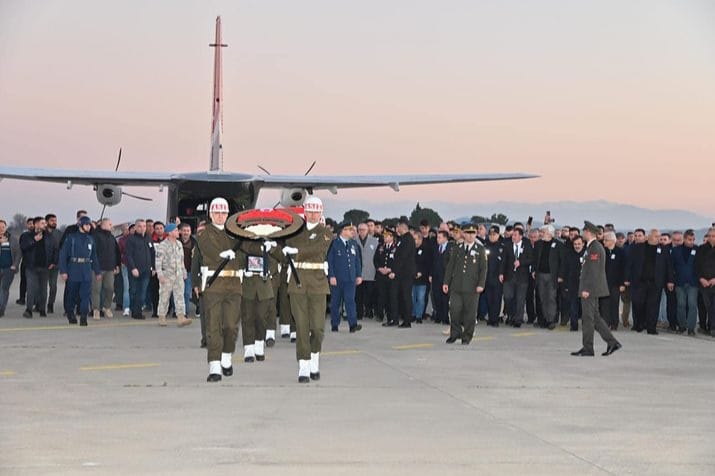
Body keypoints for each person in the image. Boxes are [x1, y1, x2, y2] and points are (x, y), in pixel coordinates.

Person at [191, 197, 246, 382]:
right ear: (211, 214)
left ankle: (226, 356)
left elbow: (248, 249)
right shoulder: (204, 234)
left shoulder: (236, 233)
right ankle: (214, 365)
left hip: (234, 286)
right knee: (213, 326)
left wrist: (264, 240)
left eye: (223, 213)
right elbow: (208, 252)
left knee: (230, 326)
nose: (220, 216)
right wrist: (223, 254)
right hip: (214, 285)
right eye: (217, 213)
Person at [284, 196, 333, 382]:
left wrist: (296, 251)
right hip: (297, 283)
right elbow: (285, 251)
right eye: (310, 210)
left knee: (318, 328)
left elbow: (318, 249)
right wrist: (273, 247)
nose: (313, 214)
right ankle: (304, 365)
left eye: (316, 211)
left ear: (321, 212)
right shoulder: (294, 232)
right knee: (302, 327)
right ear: (305, 211)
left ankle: (315, 358)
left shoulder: (325, 232)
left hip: (318, 284)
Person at [570, 221, 621, 357]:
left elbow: (593, 271)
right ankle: (612, 342)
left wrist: (586, 289)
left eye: (584, 231)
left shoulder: (595, 247)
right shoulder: (591, 246)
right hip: (590, 288)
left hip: (590, 289)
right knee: (595, 317)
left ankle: (588, 348)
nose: (583, 233)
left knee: (588, 318)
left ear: (589, 232)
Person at [443, 224, 487, 345]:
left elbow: (483, 269)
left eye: (473, 233)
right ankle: (455, 333)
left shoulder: (480, 249)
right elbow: (450, 266)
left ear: (476, 234)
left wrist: (481, 284)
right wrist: (446, 282)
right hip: (457, 285)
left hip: (472, 287)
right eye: (468, 233)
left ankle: (467, 336)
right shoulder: (457, 248)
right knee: (454, 310)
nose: (470, 235)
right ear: (463, 234)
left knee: (470, 313)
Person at [625, 229, 674, 335]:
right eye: (656, 236)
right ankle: (639, 324)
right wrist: (627, 278)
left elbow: (668, 266)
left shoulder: (664, 249)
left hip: (656, 282)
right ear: (650, 237)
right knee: (638, 303)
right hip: (640, 281)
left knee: (653, 305)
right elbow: (630, 263)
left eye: (659, 237)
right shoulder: (639, 247)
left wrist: (670, 280)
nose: (659, 239)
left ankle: (651, 327)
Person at [58, 216, 101, 326]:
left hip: (86, 269)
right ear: (81, 225)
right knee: (71, 294)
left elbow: (94, 256)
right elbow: (63, 255)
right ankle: (70, 313)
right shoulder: (71, 238)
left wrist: (97, 271)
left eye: (89, 225)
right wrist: (63, 271)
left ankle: (83, 316)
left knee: (85, 295)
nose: (89, 227)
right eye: (86, 225)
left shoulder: (90, 239)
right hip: (73, 268)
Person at [327, 221, 363, 333]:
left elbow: (357, 261)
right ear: (342, 231)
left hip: (350, 278)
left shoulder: (353, 244)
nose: (351, 231)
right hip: (337, 278)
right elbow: (330, 261)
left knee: (350, 301)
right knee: (335, 302)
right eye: (348, 229)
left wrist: (358, 275)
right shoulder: (334, 244)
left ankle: (353, 324)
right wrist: (331, 275)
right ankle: (334, 324)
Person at [155, 223, 192, 328]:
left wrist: (184, 271)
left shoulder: (179, 244)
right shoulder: (163, 245)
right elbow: (158, 261)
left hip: (178, 274)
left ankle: (181, 317)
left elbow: (181, 260)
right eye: (176, 230)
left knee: (180, 295)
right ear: (170, 233)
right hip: (167, 274)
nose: (178, 232)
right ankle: (162, 316)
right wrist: (160, 275)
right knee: (164, 296)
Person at [20, 216, 56, 318]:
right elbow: (23, 247)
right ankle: (29, 310)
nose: (45, 225)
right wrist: (34, 240)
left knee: (43, 290)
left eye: (45, 223)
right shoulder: (27, 236)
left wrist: (53, 262)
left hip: (45, 267)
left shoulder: (49, 236)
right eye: (42, 223)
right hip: (31, 267)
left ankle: (42, 309)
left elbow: (55, 249)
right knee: (31, 288)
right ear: (36, 224)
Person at [532, 225, 564, 330]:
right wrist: (533, 270)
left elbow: (562, 261)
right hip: (540, 275)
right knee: (542, 297)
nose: (541, 234)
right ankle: (544, 319)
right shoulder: (538, 244)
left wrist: (560, 275)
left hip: (552, 276)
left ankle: (551, 320)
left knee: (551, 297)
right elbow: (534, 259)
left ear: (550, 233)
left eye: (543, 232)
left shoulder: (559, 245)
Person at [501, 227, 533, 328]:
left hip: (522, 277)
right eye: (512, 235)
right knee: (508, 297)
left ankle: (518, 319)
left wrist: (521, 262)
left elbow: (531, 259)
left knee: (520, 299)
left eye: (515, 235)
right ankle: (511, 315)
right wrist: (501, 273)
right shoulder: (507, 246)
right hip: (509, 276)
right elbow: (503, 261)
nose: (513, 237)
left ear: (520, 236)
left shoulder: (527, 245)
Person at [91, 218, 121, 320]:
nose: (111, 226)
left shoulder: (112, 237)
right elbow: (93, 253)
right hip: (98, 268)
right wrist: (95, 267)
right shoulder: (95, 236)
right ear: (103, 225)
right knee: (96, 289)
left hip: (110, 268)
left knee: (110, 288)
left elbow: (116, 252)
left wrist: (117, 264)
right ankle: (96, 310)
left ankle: (106, 307)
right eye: (109, 224)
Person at [125, 219, 155, 320]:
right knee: (133, 291)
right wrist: (133, 268)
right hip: (134, 270)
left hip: (146, 270)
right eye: (139, 226)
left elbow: (152, 253)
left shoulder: (149, 238)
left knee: (142, 292)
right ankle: (134, 310)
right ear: (135, 227)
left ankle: (138, 311)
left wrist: (153, 267)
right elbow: (128, 255)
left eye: (144, 226)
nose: (142, 228)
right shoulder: (131, 239)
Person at [391, 217, 416, 328]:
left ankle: (407, 321)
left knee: (406, 296)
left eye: (398, 227)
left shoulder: (408, 239)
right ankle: (397, 319)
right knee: (399, 296)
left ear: (403, 227)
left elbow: (402, 257)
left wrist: (394, 271)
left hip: (405, 273)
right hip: (401, 273)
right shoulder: (403, 239)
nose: (397, 229)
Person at [673, 229, 699, 335]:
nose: (691, 242)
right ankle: (682, 326)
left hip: (693, 282)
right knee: (681, 304)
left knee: (692, 305)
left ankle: (691, 328)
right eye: (689, 239)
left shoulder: (698, 250)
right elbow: (671, 266)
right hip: (679, 282)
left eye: (693, 240)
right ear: (684, 239)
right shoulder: (676, 250)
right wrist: (671, 280)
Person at [601, 231, 626, 330]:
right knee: (604, 304)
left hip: (616, 284)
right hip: (604, 283)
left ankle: (614, 323)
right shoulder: (603, 252)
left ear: (612, 241)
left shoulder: (620, 252)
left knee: (614, 304)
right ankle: (605, 323)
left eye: (606, 240)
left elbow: (623, 268)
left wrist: (622, 283)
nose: (604, 242)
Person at [694, 227, 715, 337]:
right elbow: (696, 266)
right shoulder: (701, 249)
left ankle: (713, 328)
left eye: (714, 236)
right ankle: (705, 326)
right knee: (707, 306)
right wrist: (701, 278)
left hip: (714, 282)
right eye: (710, 236)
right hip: (704, 283)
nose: (711, 238)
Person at [355, 222, 378, 320]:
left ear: (368, 230)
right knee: (358, 295)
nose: (362, 232)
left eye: (364, 230)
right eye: (360, 230)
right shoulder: (354, 240)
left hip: (370, 271)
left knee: (369, 294)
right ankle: (359, 314)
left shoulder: (374, 241)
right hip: (358, 273)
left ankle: (369, 311)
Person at [430, 230, 452, 326]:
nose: (437, 239)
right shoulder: (436, 248)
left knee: (445, 298)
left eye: (439, 237)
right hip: (436, 276)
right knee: (436, 297)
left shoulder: (451, 248)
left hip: (445, 277)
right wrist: (430, 274)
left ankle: (445, 317)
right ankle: (438, 315)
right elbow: (432, 262)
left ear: (445, 238)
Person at [562, 235, 585, 330]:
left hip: (585, 285)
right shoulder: (568, 255)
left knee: (585, 308)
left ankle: (586, 326)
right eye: (575, 244)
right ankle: (574, 325)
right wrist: (565, 285)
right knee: (573, 307)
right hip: (572, 285)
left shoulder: (587, 254)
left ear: (583, 244)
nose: (577, 246)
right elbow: (565, 270)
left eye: (579, 244)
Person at [374, 227, 396, 323]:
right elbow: (375, 260)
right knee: (380, 295)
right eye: (384, 236)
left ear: (392, 237)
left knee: (390, 296)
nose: (385, 238)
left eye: (387, 236)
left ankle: (390, 314)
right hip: (381, 275)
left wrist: (391, 269)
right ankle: (379, 314)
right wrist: (379, 268)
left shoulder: (396, 248)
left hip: (390, 275)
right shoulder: (380, 247)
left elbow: (398, 261)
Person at [484, 225, 505, 327]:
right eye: (490, 234)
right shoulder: (485, 245)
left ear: (498, 235)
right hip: (487, 277)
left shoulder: (502, 246)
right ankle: (490, 318)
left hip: (497, 278)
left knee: (496, 299)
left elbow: (504, 263)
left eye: (494, 234)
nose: (492, 237)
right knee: (488, 299)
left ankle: (495, 319)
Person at [0, 219, 21, 317]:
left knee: (4, 288)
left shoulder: (12, 239)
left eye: (2, 227)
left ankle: (1, 308)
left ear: (6, 227)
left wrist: (15, 265)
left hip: (8, 269)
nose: (1, 229)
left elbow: (18, 253)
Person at [412, 232, 431, 323]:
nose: (414, 241)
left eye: (415, 239)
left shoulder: (426, 249)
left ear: (420, 239)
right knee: (412, 298)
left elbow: (428, 264)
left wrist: (422, 272)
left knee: (420, 298)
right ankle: (413, 314)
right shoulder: (411, 249)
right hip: (412, 278)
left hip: (422, 279)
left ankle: (419, 316)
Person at [45, 213, 62, 314]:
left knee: (53, 286)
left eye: (55, 221)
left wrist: (55, 262)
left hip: (55, 265)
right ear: (47, 222)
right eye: (52, 221)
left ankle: (50, 304)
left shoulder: (59, 234)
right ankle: (39, 304)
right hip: (43, 265)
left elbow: (60, 249)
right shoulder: (42, 233)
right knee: (41, 286)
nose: (54, 222)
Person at [16, 217, 35, 306]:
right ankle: (22, 298)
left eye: (32, 223)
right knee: (23, 281)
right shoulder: (24, 235)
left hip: (35, 262)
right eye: (29, 224)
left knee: (34, 282)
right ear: (27, 225)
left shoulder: (39, 234)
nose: (31, 225)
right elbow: (22, 247)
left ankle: (34, 299)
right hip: (25, 261)